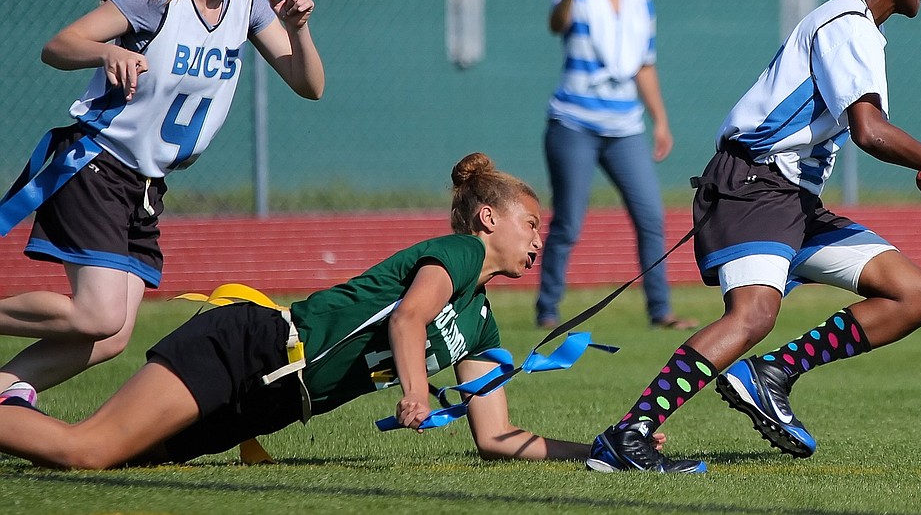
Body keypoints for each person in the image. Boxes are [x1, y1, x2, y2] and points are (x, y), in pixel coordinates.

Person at [584, 0, 921, 473]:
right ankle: (629, 435)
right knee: (753, 315)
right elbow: (869, 131)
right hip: (753, 184)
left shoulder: (857, 29)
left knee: (915, 294)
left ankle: (771, 373)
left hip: (790, 199)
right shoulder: (846, 25)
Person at [0, 153, 667, 470]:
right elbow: (408, 320)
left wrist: (600, 448)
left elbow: (495, 437)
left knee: (105, 458)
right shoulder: (459, 253)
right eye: (530, 222)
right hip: (250, 348)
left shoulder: (481, 318)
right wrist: (412, 390)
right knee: (87, 450)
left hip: (269, 404)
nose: (537, 238)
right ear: (488, 218)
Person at [0, 0, 325, 406]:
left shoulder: (246, 2)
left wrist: (299, 28)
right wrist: (106, 52)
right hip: (97, 164)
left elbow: (309, 85)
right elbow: (58, 46)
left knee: (110, 337)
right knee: (97, 314)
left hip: (146, 184)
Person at [537, 0, 694, 331]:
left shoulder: (643, 4)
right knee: (568, 221)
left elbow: (643, 65)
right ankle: (548, 308)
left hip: (624, 126)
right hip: (574, 122)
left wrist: (660, 120)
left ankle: (660, 310)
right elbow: (557, 23)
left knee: (650, 217)